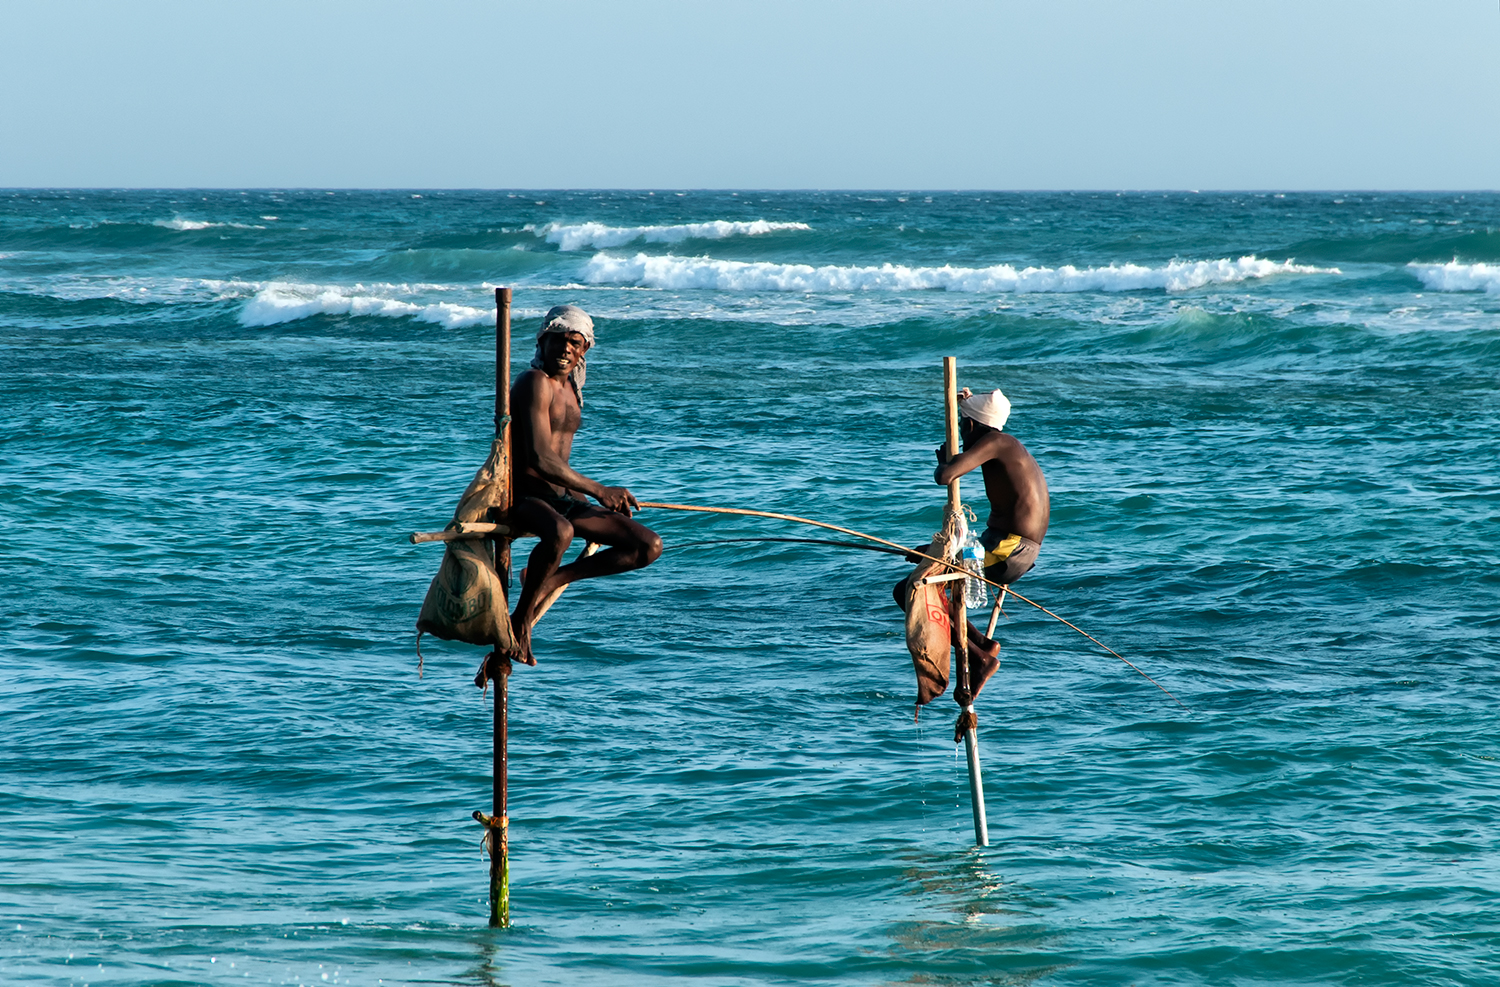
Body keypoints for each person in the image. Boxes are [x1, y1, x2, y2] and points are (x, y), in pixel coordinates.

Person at [494, 304, 662, 675]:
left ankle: (556, 576)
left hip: (566, 499)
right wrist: (601, 490)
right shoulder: (532, 382)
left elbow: (561, 458)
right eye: (560, 340)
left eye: (576, 342)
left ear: (585, 348)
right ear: (543, 340)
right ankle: (521, 619)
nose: (567, 349)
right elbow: (539, 456)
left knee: (647, 546)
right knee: (561, 532)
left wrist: (590, 499)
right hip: (523, 497)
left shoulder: (572, 386)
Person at [893, 387, 1049, 701]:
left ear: (972, 426)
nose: (963, 434)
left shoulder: (997, 442)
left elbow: (946, 476)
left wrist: (943, 461)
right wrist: (934, 552)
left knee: (909, 589)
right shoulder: (1004, 444)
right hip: (998, 544)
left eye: (964, 426)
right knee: (926, 570)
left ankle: (980, 657)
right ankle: (982, 647)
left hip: (1010, 550)